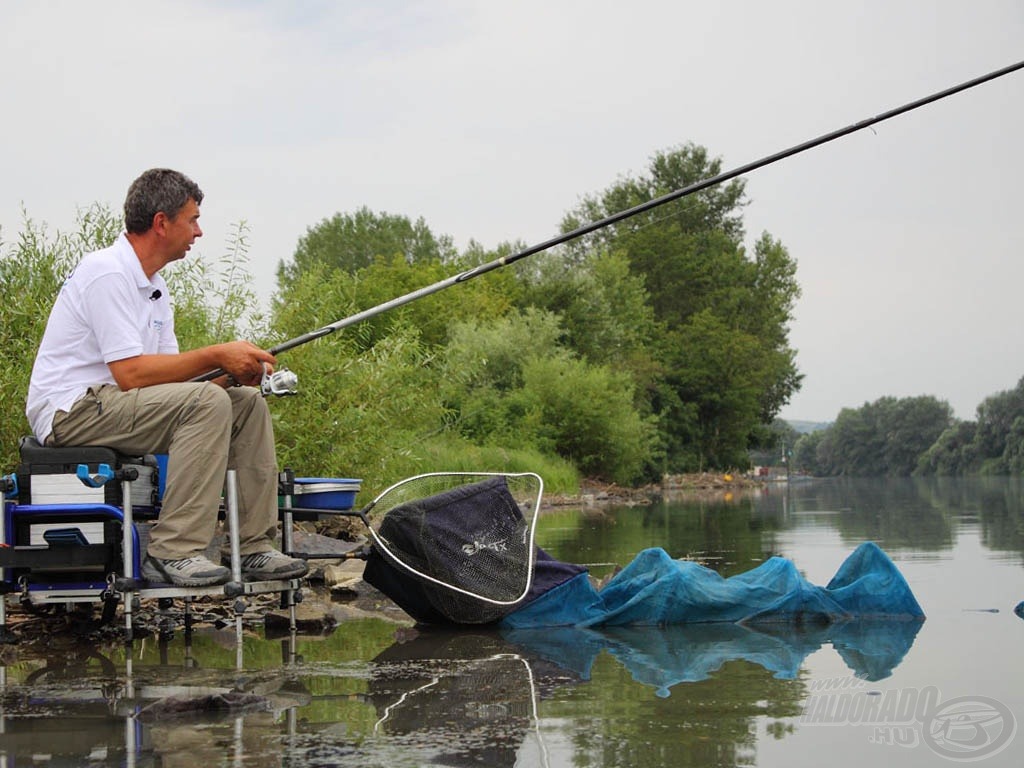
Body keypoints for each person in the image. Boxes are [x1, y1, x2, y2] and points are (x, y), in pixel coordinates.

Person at [25, 168, 308, 587]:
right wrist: (217, 353)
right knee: (208, 403)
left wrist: (232, 376)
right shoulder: (108, 272)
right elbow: (131, 373)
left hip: (116, 403)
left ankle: (253, 547)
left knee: (244, 405)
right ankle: (173, 550)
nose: (199, 232)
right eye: (192, 219)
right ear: (161, 222)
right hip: (72, 409)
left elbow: (177, 391)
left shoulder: (155, 289)